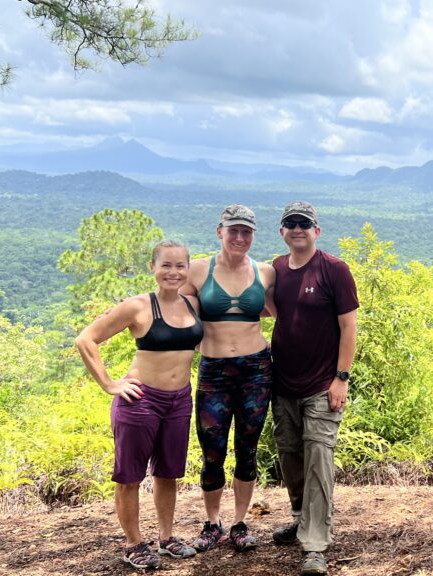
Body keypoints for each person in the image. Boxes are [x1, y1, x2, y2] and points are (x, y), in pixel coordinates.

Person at [75, 240, 202, 570]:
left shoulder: (192, 305)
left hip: (179, 400)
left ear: (188, 270)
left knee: (168, 473)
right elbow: (86, 339)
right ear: (153, 267)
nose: (173, 272)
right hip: (141, 400)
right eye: (166, 265)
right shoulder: (137, 307)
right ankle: (133, 543)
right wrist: (109, 384)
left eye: (180, 266)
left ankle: (167, 537)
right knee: (130, 477)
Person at [267, 201, 358, 576]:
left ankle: (315, 544)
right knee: (290, 456)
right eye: (290, 223)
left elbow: (349, 328)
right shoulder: (275, 269)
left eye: (305, 223)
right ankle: (303, 517)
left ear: (316, 231)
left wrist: (341, 378)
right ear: (283, 231)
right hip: (282, 383)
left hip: (322, 385)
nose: (297, 228)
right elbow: (269, 309)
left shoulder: (334, 270)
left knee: (318, 458)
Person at [182, 204, 275, 553]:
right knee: (212, 451)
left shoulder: (265, 272)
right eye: (233, 230)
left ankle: (238, 523)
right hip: (215, 371)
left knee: (247, 450)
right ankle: (212, 523)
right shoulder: (196, 271)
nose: (239, 237)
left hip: (256, 370)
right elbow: (173, 313)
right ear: (219, 231)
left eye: (246, 231)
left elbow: (286, 312)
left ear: (253, 235)